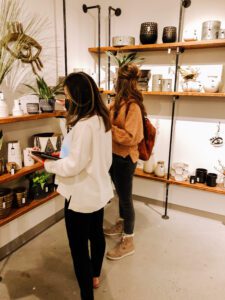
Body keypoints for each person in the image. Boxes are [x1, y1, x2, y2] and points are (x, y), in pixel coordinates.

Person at [32, 72, 113, 300]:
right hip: (98, 190)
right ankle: (94, 275)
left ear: (77, 97)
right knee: (96, 235)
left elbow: (74, 165)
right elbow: (99, 158)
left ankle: (86, 294)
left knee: (78, 249)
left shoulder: (85, 125)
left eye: (66, 96)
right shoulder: (102, 119)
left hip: (80, 196)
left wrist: (48, 163)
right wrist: (64, 156)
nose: (63, 100)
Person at [105, 63, 146, 260]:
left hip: (125, 159)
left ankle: (128, 240)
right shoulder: (119, 102)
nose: (114, 81)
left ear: (123, 82)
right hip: (114, 156)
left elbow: (131, 137)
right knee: (121, 195)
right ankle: (122, 223)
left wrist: (108, 127)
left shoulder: (133, 106)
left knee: (126, 199)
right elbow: (106, 115)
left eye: (116, 78)